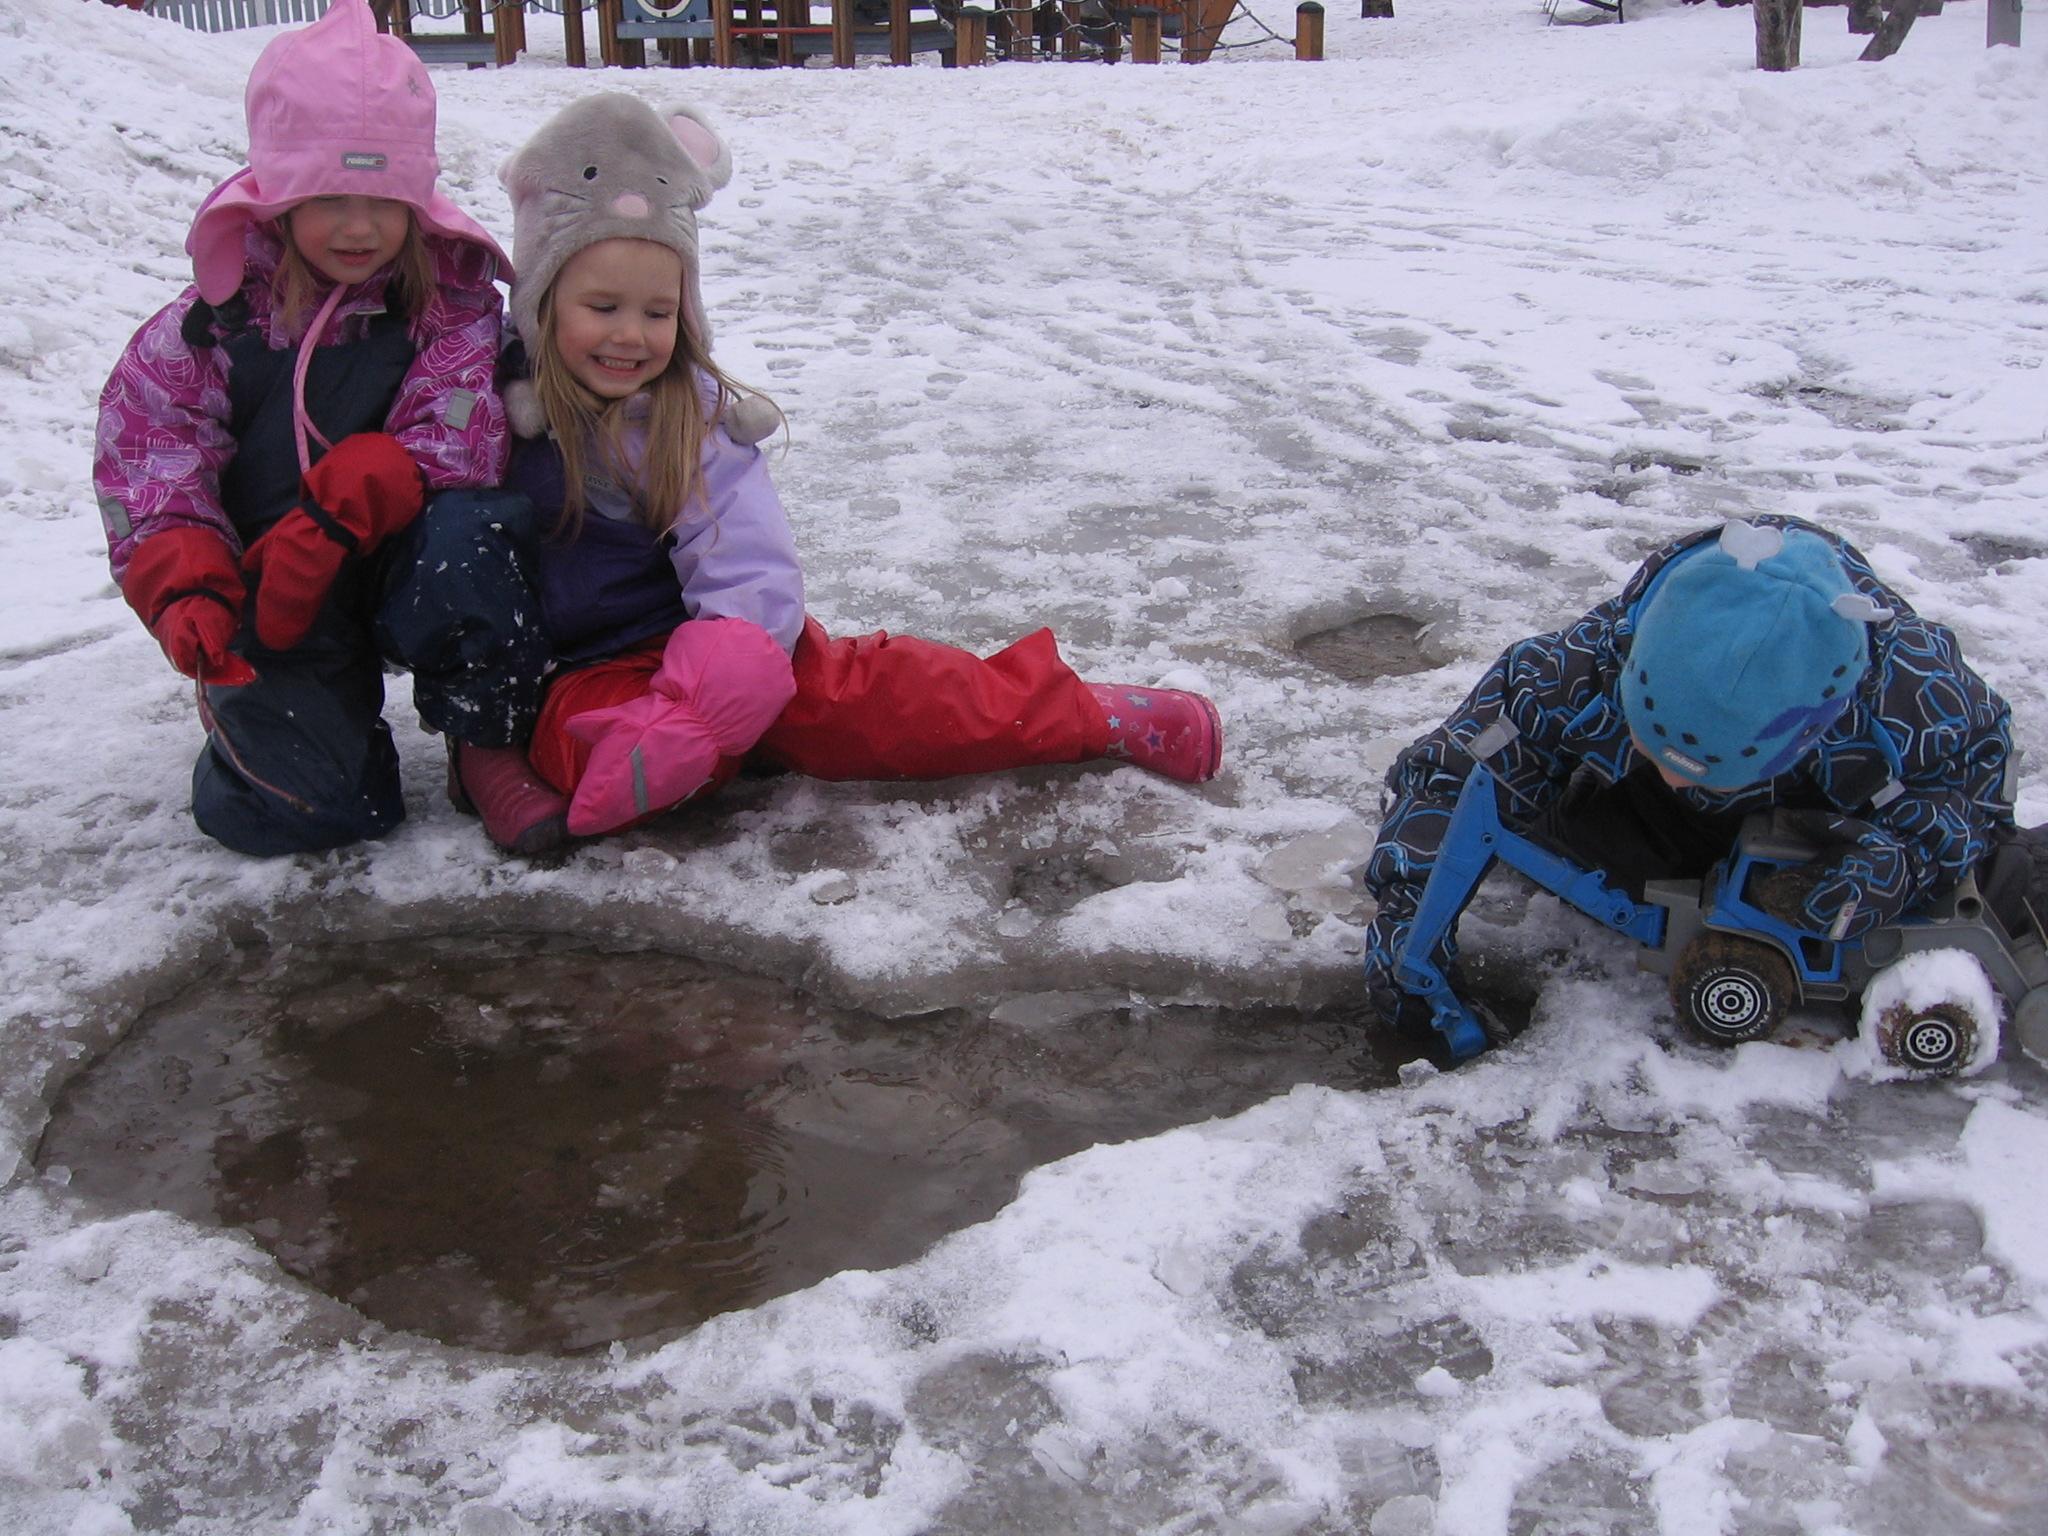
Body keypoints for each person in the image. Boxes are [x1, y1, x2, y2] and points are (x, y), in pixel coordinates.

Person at [494, 93, 1222, 840]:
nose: (631, 335)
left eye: (657, 312)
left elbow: (749, 574)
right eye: (603, 306)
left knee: (878, 705)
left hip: (728, 653)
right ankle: (708, 750)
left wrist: (716, 695)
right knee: (581, 749)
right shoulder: (490, 409)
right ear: (544, 302)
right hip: (588, 672)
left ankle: (1092, 716)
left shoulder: (692, 419)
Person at [94, 0, 565, 858]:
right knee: (315, 814)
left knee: (479, 529)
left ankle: (486, 739)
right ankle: (265, 723)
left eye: (383, 199)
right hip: (271, 595)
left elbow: (463, 428)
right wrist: (185, 578)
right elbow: (151, 455)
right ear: (275, 198)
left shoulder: (448, 300)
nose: (359, 227)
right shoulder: (209, 329)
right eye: (329, 198)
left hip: (393, 558)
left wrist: (362, 490)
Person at [1360, 516, 2016, 1040]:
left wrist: (1906, 859)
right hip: (1658, 821)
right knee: (1564, 831)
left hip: (1817, 818)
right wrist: (1408, 904)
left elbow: (1977, 789)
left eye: (1715, 768)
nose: (1676, 779)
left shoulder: (1914, 702)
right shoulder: (1581, 668)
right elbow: (1453, 772)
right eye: (1657, 745)